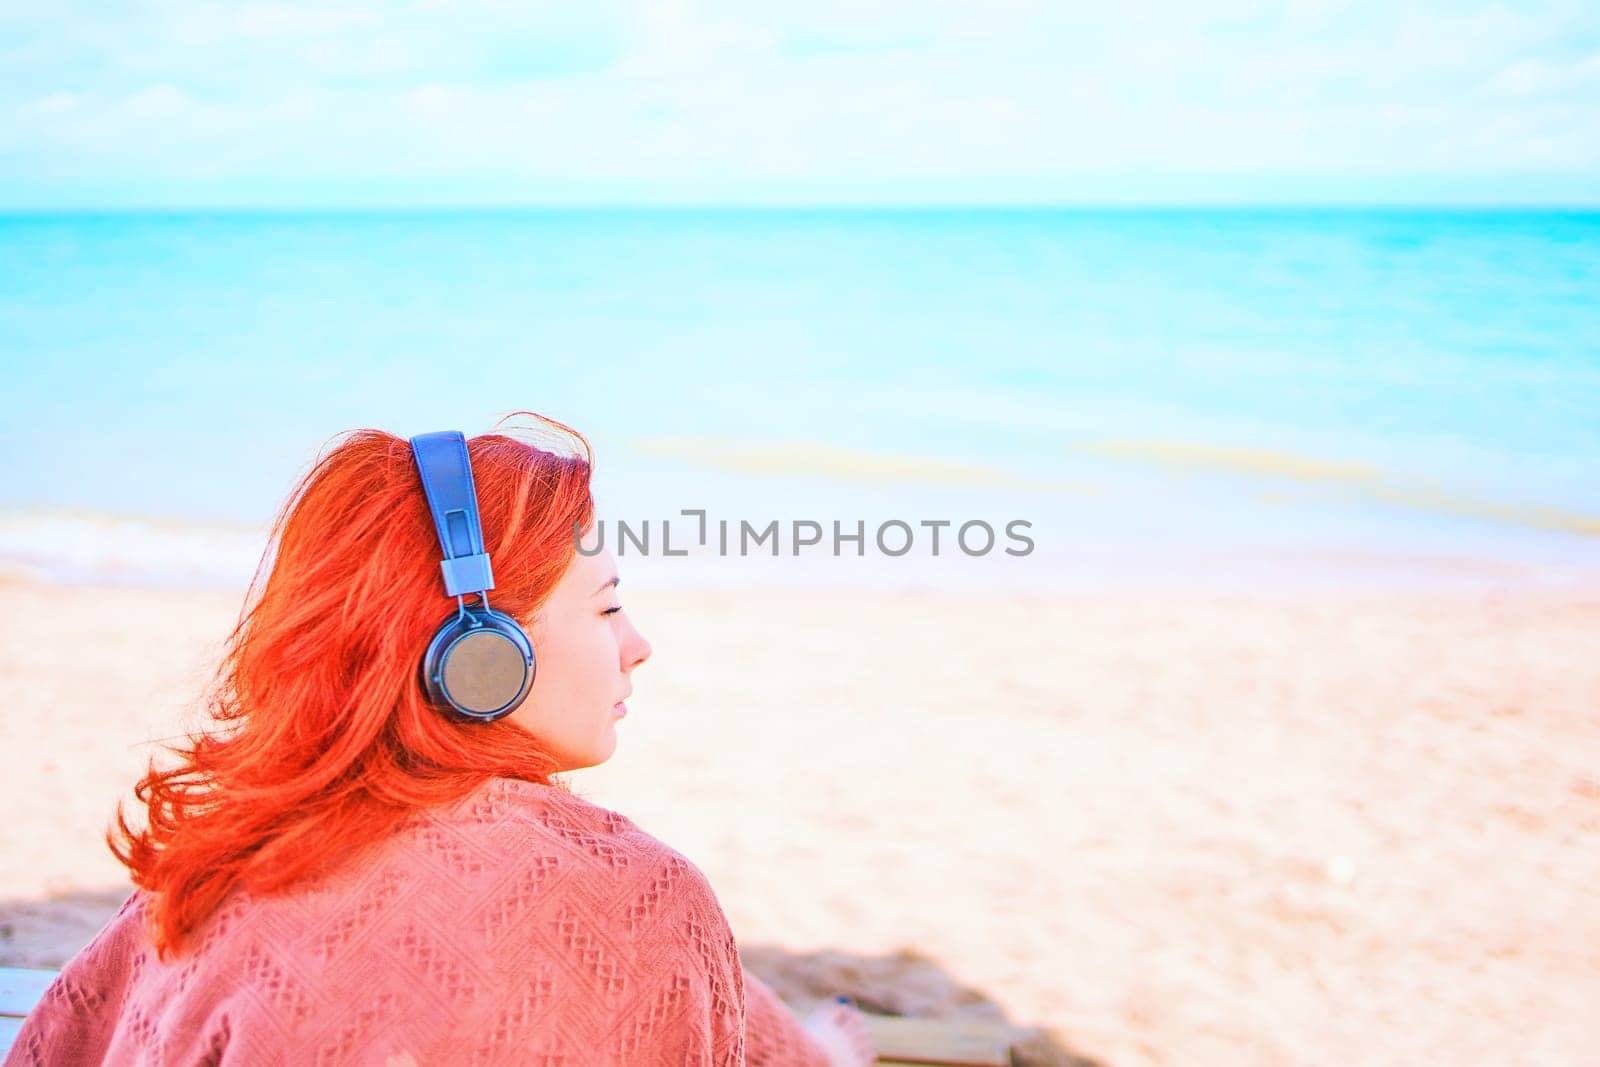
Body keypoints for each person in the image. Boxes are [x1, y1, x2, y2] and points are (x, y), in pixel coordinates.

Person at [4, 417, 876, 1066]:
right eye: (607, 606)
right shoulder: (633, 890)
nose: (637, 643)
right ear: (481, 653)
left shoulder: (216, 858)